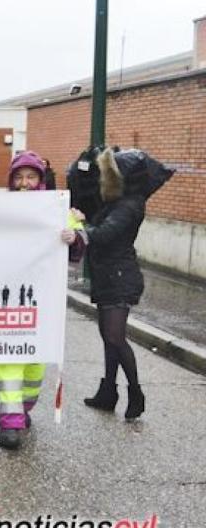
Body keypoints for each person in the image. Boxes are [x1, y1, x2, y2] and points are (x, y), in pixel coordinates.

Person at [0, 151, 84, 450]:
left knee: (34, 363)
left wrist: (75, 237)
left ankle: (24, 407)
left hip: (44, 298)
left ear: (40, 180)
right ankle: (9, 421)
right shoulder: (0, 209)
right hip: (8, 296)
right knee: (9, 357)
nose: (24, 183)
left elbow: (79, 248)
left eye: (31, 177)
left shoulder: (60, 209)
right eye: (18, 177)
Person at [79, 147, 173, 422]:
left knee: (115, 338)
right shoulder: (118, 202)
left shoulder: (129, 205)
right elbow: (100, 226)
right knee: (108, 339)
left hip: (120, 278)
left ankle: (136, 393)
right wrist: (83, 220)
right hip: (109, 276)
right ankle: (108, 392)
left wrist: (79, 231)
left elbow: (106, 234)